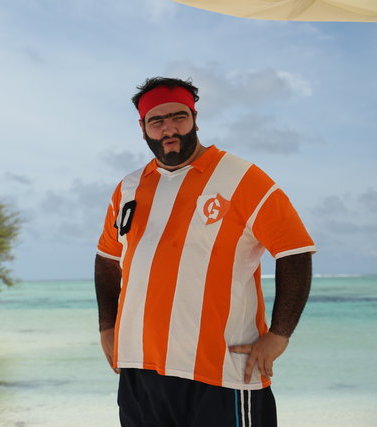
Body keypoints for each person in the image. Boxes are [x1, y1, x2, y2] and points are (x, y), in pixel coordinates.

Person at [94, 77, 315, 427]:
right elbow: (108, 258)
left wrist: (279, 335)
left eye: (178, 117)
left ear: (195, 119)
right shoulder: (129, 188)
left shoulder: (242, 177)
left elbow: (295, 251)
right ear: (143, 128)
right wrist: (107, 327)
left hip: (223, 372)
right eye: (157, 120)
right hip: (139, 369)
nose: (169, 129)